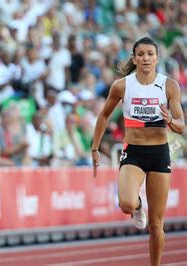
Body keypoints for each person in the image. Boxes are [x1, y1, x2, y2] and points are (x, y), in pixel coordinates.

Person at [91, 37, 184, 266]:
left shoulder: (169, 85)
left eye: (150, 54)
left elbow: (181, 125)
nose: (145, 58)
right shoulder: (122, 85)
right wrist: (94, 147)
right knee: (126, 203)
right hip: (134, 152)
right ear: (134, 58)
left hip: (160, 154)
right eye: (141, 54)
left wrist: (170, 120)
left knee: (156, 225)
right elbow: (104, 115)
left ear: (157, 58)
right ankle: (138, 206)